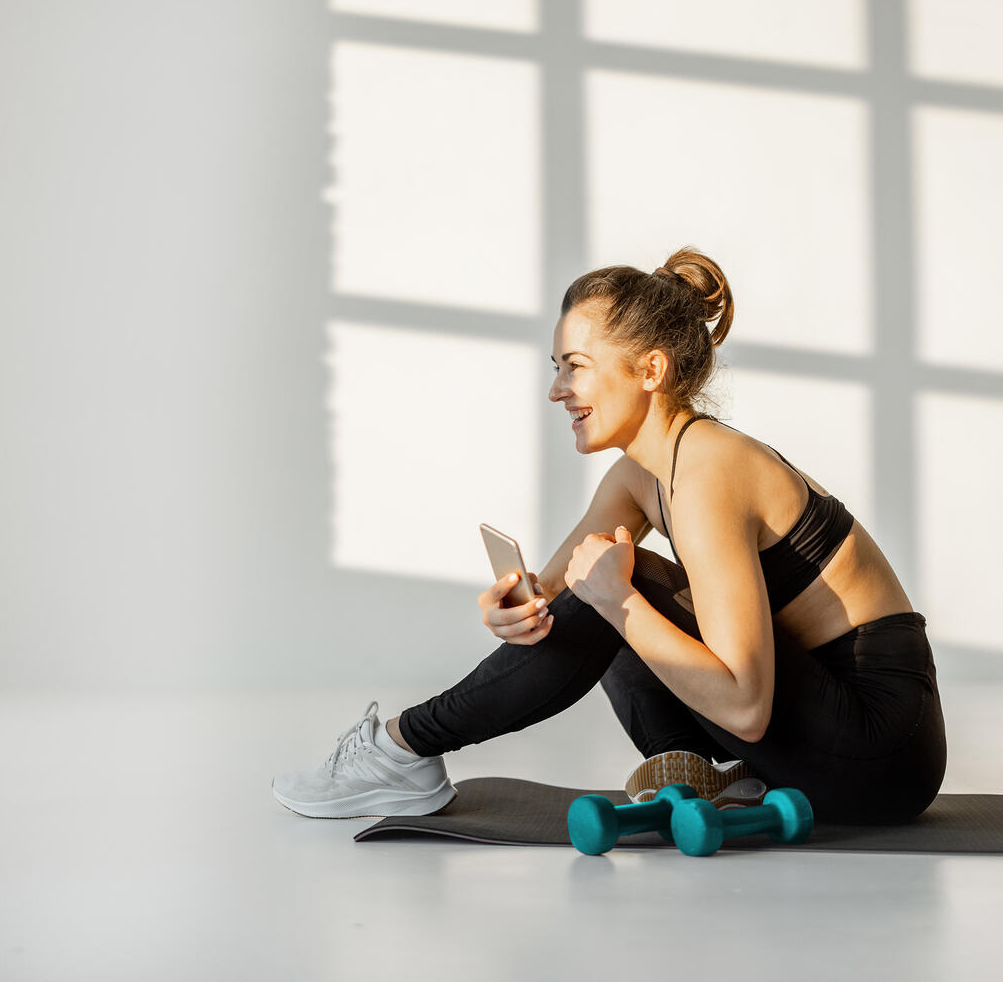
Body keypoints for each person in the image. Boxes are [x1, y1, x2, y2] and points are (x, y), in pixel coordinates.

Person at [271, 247, 946, 825]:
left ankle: (401, 749)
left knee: (623, 583)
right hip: (815, 720)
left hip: (882, 750)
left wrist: (617, 601)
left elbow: (746, 707)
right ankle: (693, 770)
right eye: (556, 367)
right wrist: (514, 608)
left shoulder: (709, 472)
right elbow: (554, 596)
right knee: (609, 577)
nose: (557, 390)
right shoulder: (641, 474)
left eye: (575, 365)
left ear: (650, 371)